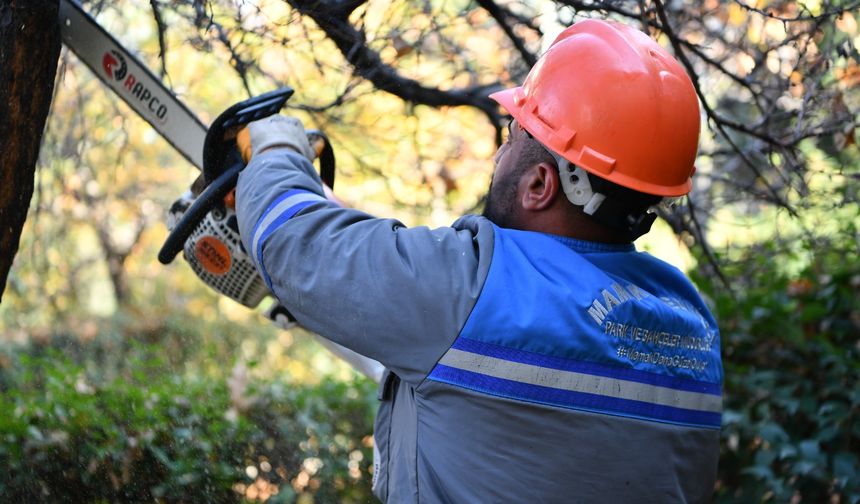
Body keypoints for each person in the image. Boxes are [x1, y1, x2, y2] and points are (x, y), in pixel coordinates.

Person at [235, 18, 722, 504]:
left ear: (539, 186)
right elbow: (492, 395)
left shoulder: (470, 285)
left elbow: (292, 243)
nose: (498, 155)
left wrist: (275, 145)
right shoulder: (690, 324)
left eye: (512, 136)